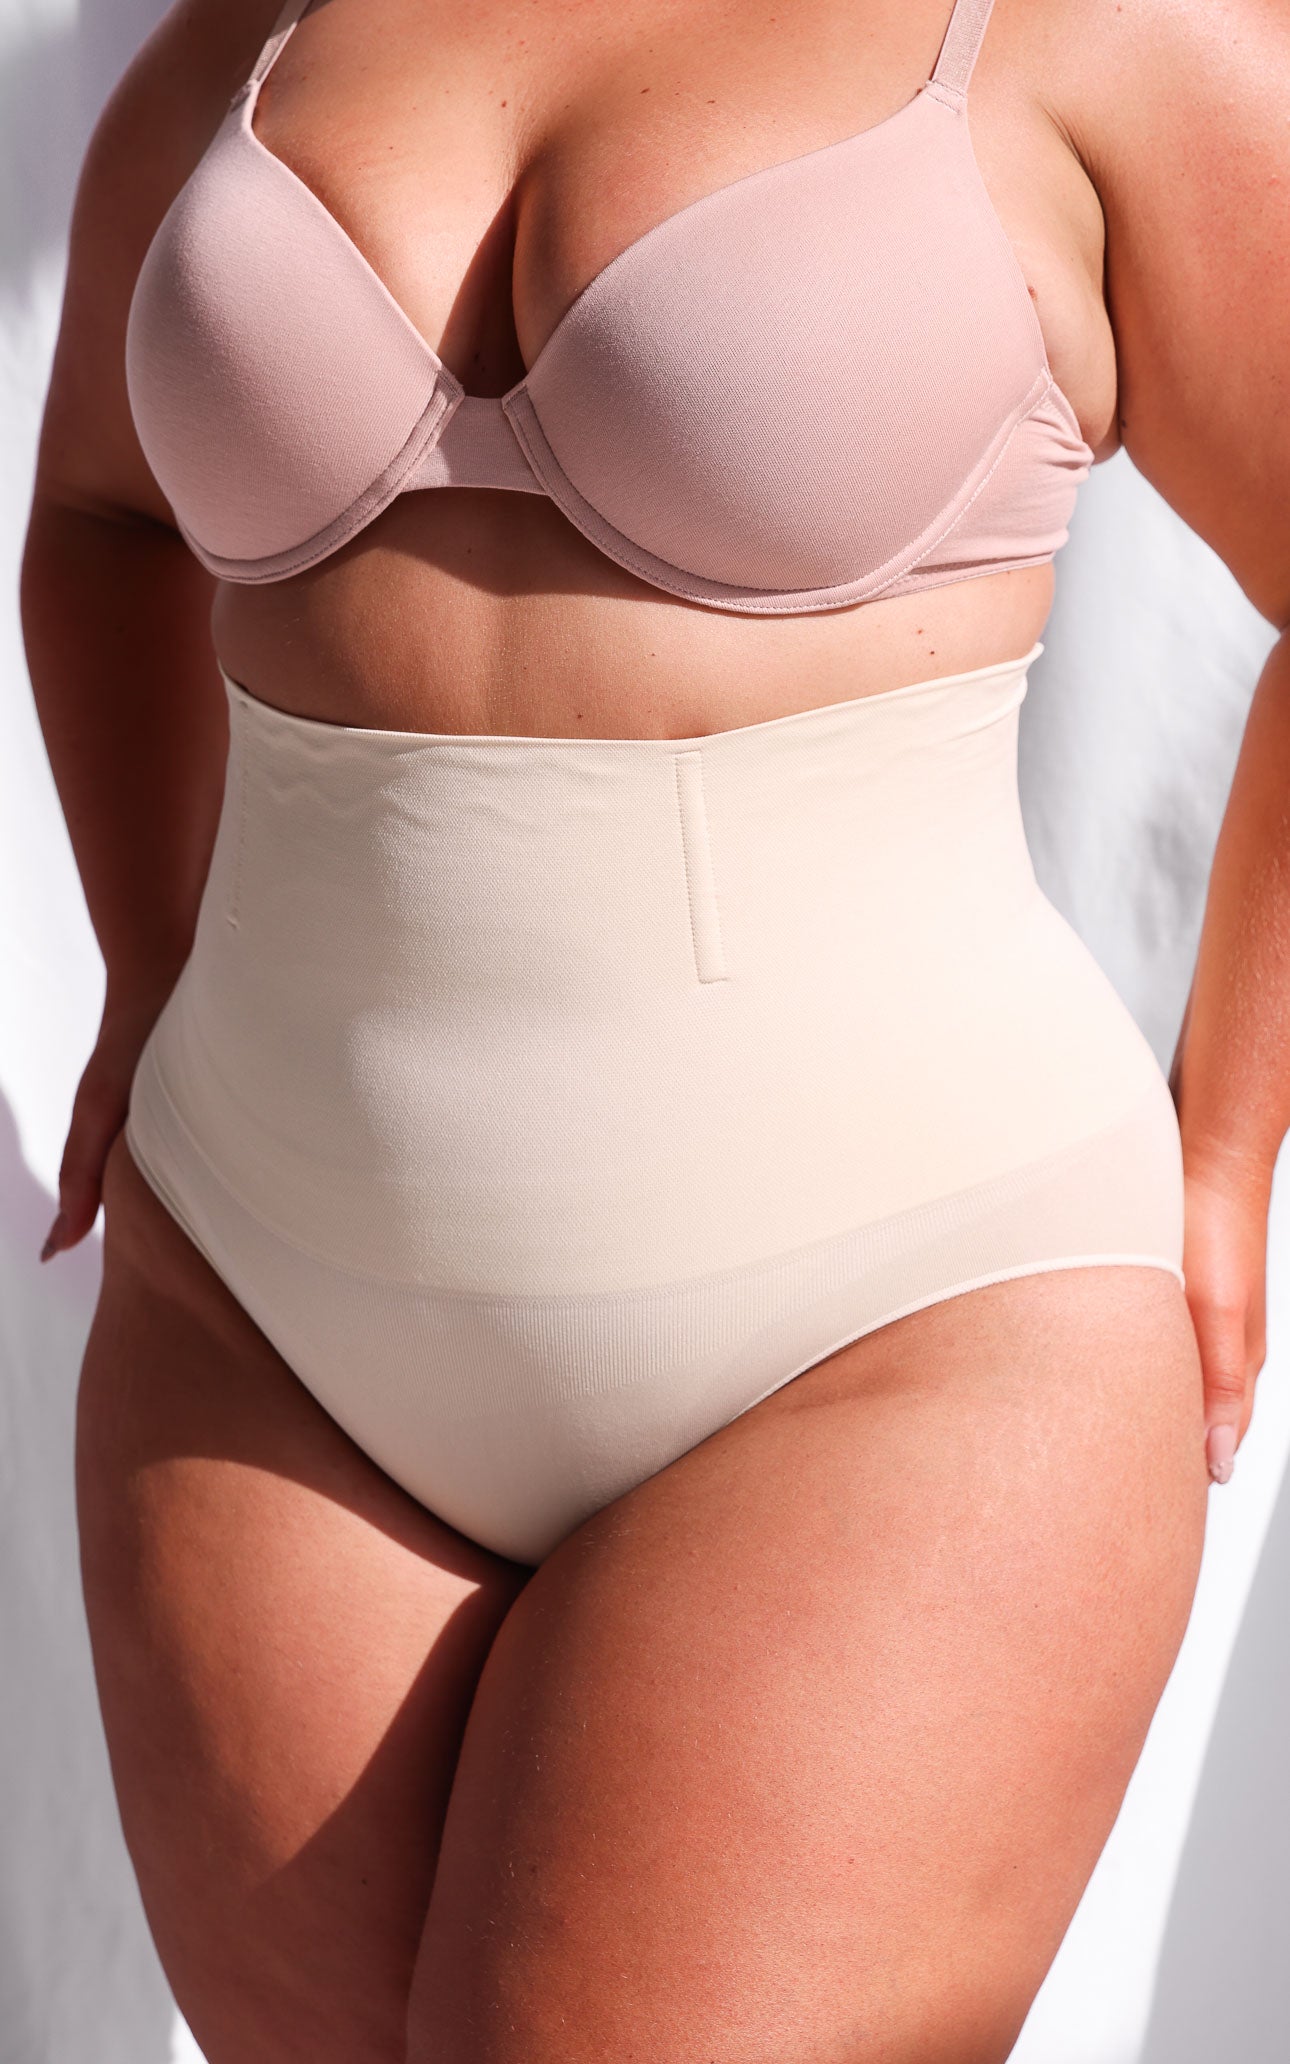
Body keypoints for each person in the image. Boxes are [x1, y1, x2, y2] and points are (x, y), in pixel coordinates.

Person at [19, 0, 1288, 2056]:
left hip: (896, 1323)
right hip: (258, 1308)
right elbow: (99, 517)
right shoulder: (255, 37)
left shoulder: (1097, 27)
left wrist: (1224, 1150)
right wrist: (146, 971)